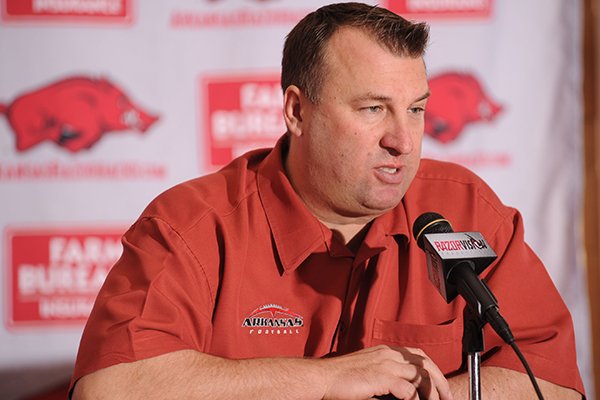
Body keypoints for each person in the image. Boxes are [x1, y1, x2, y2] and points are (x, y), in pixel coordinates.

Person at [70, 2, 585, 399]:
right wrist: (324, 380)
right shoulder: (192, 225)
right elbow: (110, 387)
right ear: (297, 111)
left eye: (415, 109)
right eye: (373, 109)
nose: (403, 140)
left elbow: (554, 382)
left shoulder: (468, 211)